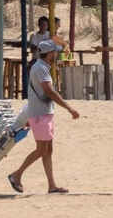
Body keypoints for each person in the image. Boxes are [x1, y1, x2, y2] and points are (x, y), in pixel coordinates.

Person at [7, 38, 81, 194]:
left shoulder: (42, 66)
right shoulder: (40, 68)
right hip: (40, 114)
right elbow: (49, 91)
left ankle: (52, 185)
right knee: (41, 150)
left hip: (43, 113)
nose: (56, 56)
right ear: (49, 55)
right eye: (55, 53)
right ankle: (16, 174)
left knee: (48, 150)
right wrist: (69, 108)